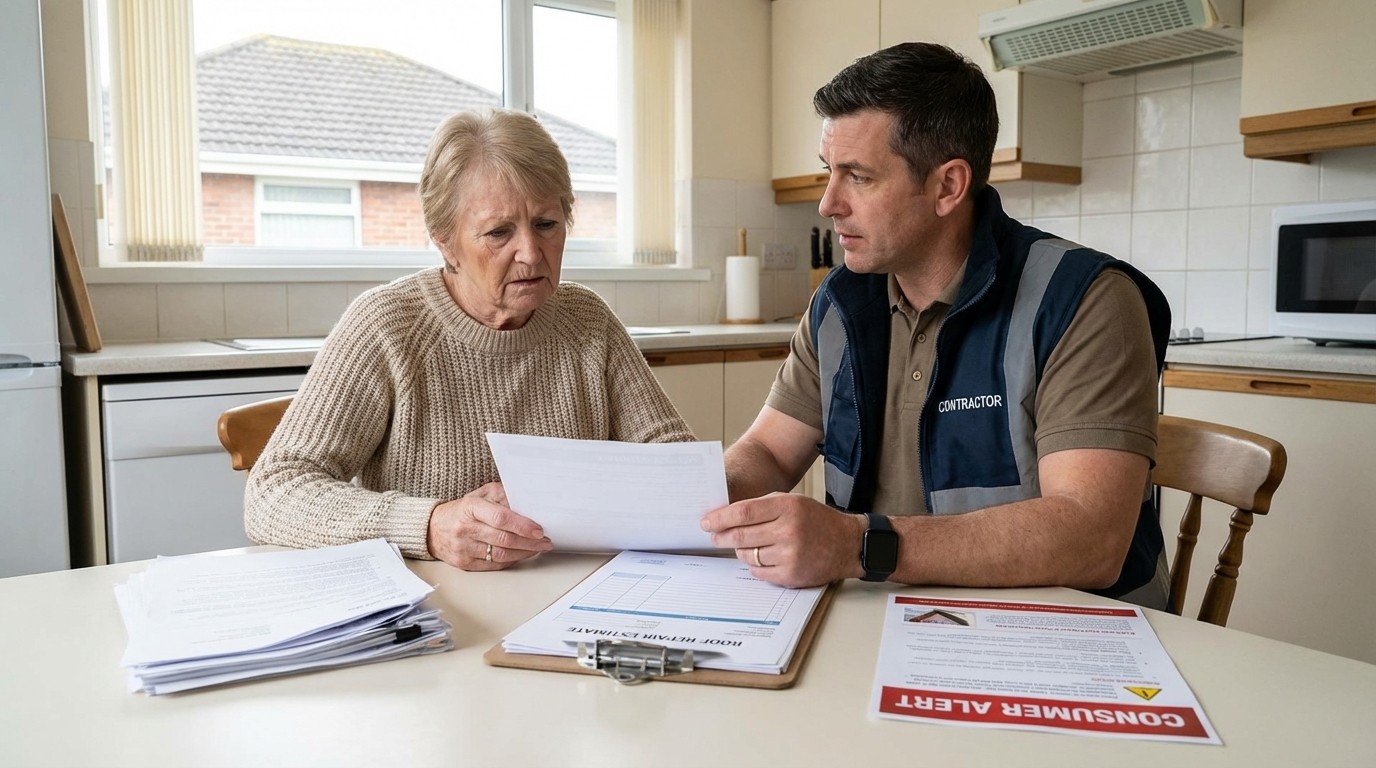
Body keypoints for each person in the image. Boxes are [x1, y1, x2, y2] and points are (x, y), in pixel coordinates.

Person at [700, 42, 1172, 607]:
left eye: (858, 177)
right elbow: (771, 454)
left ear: (948, 186)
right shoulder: (841, 302)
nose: (827, 204)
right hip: (896, 619)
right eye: (830, 172)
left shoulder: (1086, 302)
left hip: (1066, 639)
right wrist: (696, 499)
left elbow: (1090, 536)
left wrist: (858, 545)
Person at [246, 108, 694, 571]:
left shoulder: (587, 320)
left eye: (546, 224)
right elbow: (275, 491)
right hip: (434, 606)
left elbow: (676, 466)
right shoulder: (387, 326)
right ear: (445, 242)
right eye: (499, 232)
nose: (531, 253)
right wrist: (431, 526)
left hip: (570, 591)